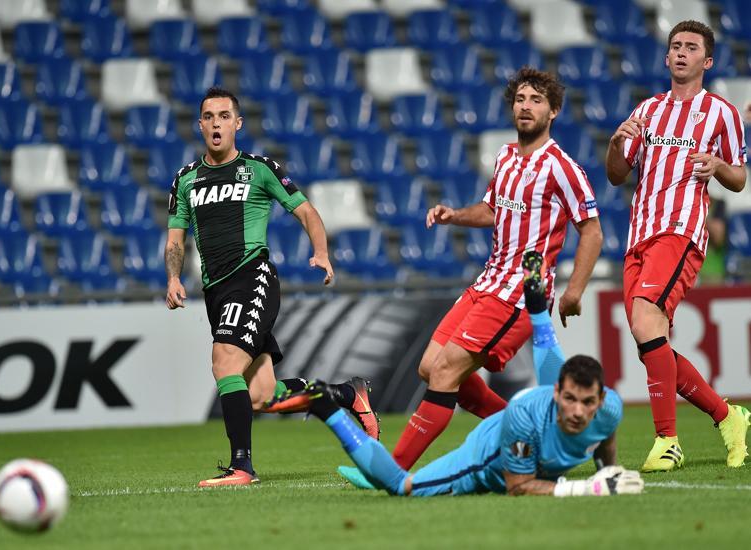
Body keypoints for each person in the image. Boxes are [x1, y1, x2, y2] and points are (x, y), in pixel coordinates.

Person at [265, 254, 644, 498]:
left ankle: (534, 302)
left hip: (525, 426)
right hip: (489, 460)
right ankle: (329, 408)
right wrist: (593, 488)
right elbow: (519, 486)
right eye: (571, 399)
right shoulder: (523, 418)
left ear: (601, 399)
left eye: (588, 402)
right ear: (558, 394)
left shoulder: (608, 409)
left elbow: (551, 356)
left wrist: (608, 469)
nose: (578, 411)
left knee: (472, 367)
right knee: (401, 487)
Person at [389, 67, 603, 471]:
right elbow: (492, 210)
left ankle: (390, 469)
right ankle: (526, 435)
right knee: (428, 367)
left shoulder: (562, 167)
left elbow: (592, 231)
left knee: (447, 370)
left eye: (537, 100)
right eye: (521, 99)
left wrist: (575, 290)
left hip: (519, 293)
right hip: (486, 282)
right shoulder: (506, 156)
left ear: (553, 111)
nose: (526, 106)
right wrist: (455, 215)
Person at [164, 87, 379, 488]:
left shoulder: (260, 168)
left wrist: (321, 252)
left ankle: (241, 466)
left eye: (224, 116)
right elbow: (175, 239)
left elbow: (306, 210)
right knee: (263, 395)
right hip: (216, 292)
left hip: (253, 277)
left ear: (237, 124)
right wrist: (174, 277)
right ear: (200, 125)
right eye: (209, 116)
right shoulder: (186, 180)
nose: (216, 123)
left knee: (225, 361)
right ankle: (349, 394)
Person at [605, 20, 751, 472]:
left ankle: (668, 439)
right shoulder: (647, 111)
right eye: (675, 46)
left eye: (691, 47)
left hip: (681, 232)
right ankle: (729, 417)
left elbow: (740, 178)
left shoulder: (721, 112)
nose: (682, 52)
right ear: (667, 58)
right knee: (649, 335)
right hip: (638, 237)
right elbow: (616, 174)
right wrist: (615, 144)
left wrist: (717, 165)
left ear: (706, 61)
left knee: (647, 318)